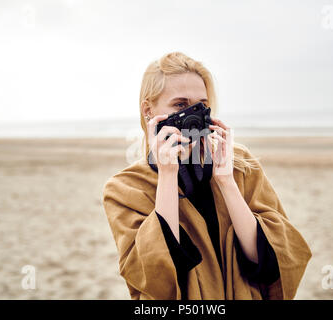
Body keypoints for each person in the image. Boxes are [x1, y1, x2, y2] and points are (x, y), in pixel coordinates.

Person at [102, 52, 312, 300]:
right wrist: (168, 177)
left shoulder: (240, 164)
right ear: (149, 110)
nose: (193, 114)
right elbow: (156, 279)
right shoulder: (125, 188)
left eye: (201, 104)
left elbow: (272, 265)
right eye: (180, 104)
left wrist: (227, 182)